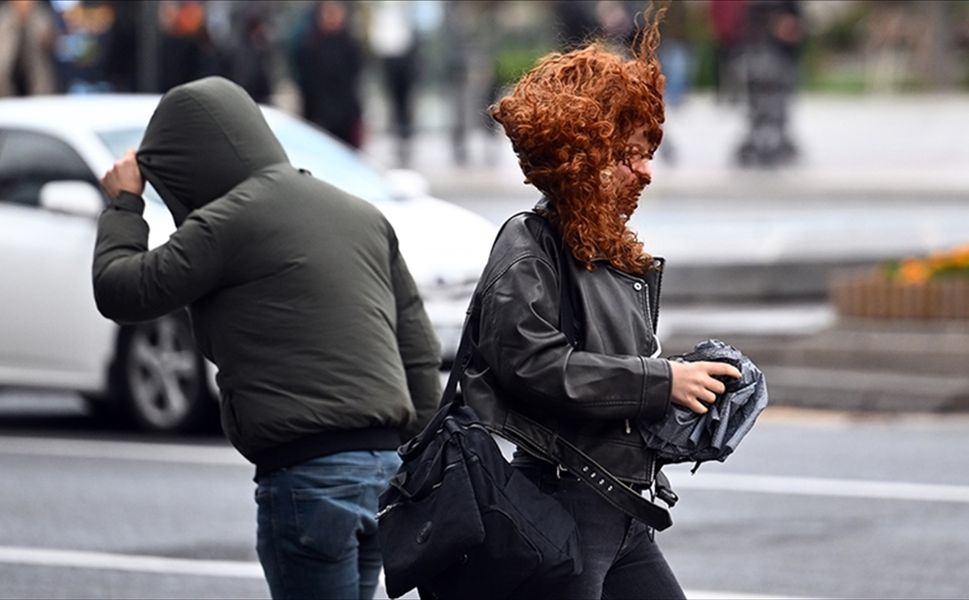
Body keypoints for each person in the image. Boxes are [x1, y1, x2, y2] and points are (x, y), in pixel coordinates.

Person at [92, 76, 441, 600]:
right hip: (382, 472)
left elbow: (121, 291)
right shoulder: (360, 214)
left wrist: (124, 204)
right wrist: (416, 466)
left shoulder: (227, 222)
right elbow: (416, 349)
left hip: (307, 475)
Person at [463, 8, 741, 599]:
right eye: (629, 154)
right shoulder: (529, 245)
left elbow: (611, 385)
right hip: (563, 502)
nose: (645, 171)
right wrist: (662, 381)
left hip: (622, 510)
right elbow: (534, 367)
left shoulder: (607, 248)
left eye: (648, 153)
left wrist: (690, 394)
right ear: (582, 155)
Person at [295, 0, 364, 148]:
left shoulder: (350, 45)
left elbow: (353, 81)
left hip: (345, 118)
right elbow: (306, 84)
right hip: (320, 118)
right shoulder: (310, 46)